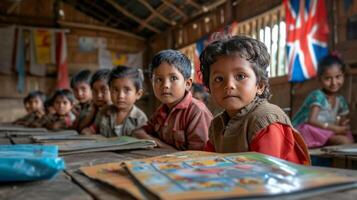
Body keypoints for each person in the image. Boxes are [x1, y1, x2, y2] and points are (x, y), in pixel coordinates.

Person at [200, 35, 309, 165]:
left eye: (240, 76)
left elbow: (265, 172)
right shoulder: (217, 124)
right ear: (209, 87)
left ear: (260, 85)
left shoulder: (265, 120)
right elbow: (208, 162)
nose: (229, 85)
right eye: (218, 79)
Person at [132, 49, 213, 150]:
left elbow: (198, 156)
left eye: (173, 78)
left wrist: (158, 144)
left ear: (187, 84)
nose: (165, 85)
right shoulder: (162, 110)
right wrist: (156, 142)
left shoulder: (197, 112)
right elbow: (138, 132)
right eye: (158, 79)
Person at [292, 54, 354, 148]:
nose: (334, 82)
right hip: (309, 131)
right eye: (328, 78)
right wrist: (336, 128)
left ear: (343, 76)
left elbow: (341, 121)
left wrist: (342, 125)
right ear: (319, 79)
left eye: (338, 77)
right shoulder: (318, 95)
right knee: (344, 141)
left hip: (325, 131)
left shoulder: (340, 100)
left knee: (348, 138)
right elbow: (311, 120)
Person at [81, 66, 147, 137]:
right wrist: (87, 132)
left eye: (127, 90)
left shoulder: (140, 118)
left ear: (138, 94)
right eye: (115, 90)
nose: (120, 96)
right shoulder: (104, 112)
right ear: (110, 90)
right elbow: (93, 129)